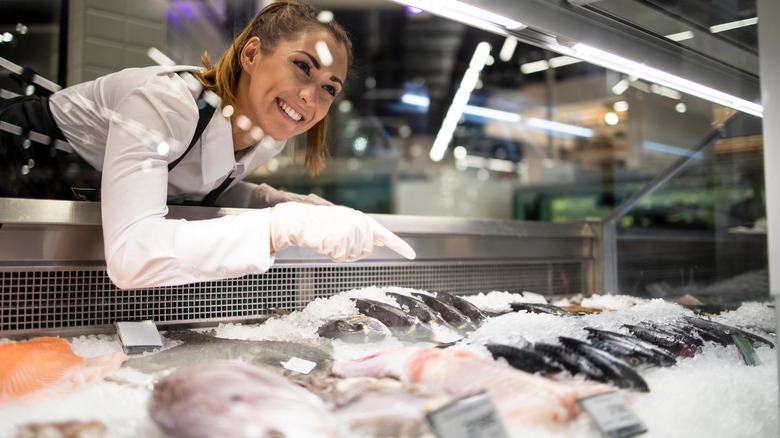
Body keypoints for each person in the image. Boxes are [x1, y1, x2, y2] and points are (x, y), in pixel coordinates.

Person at [0, 1, 415, 290]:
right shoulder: (166, 104)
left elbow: (192, 178)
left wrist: (279, 201)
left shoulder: (267, 135)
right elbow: (129, 258)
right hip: (17, 173)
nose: (310, 97)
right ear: (252, 54)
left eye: (329, 88)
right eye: (302, 67)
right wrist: (282, 225)